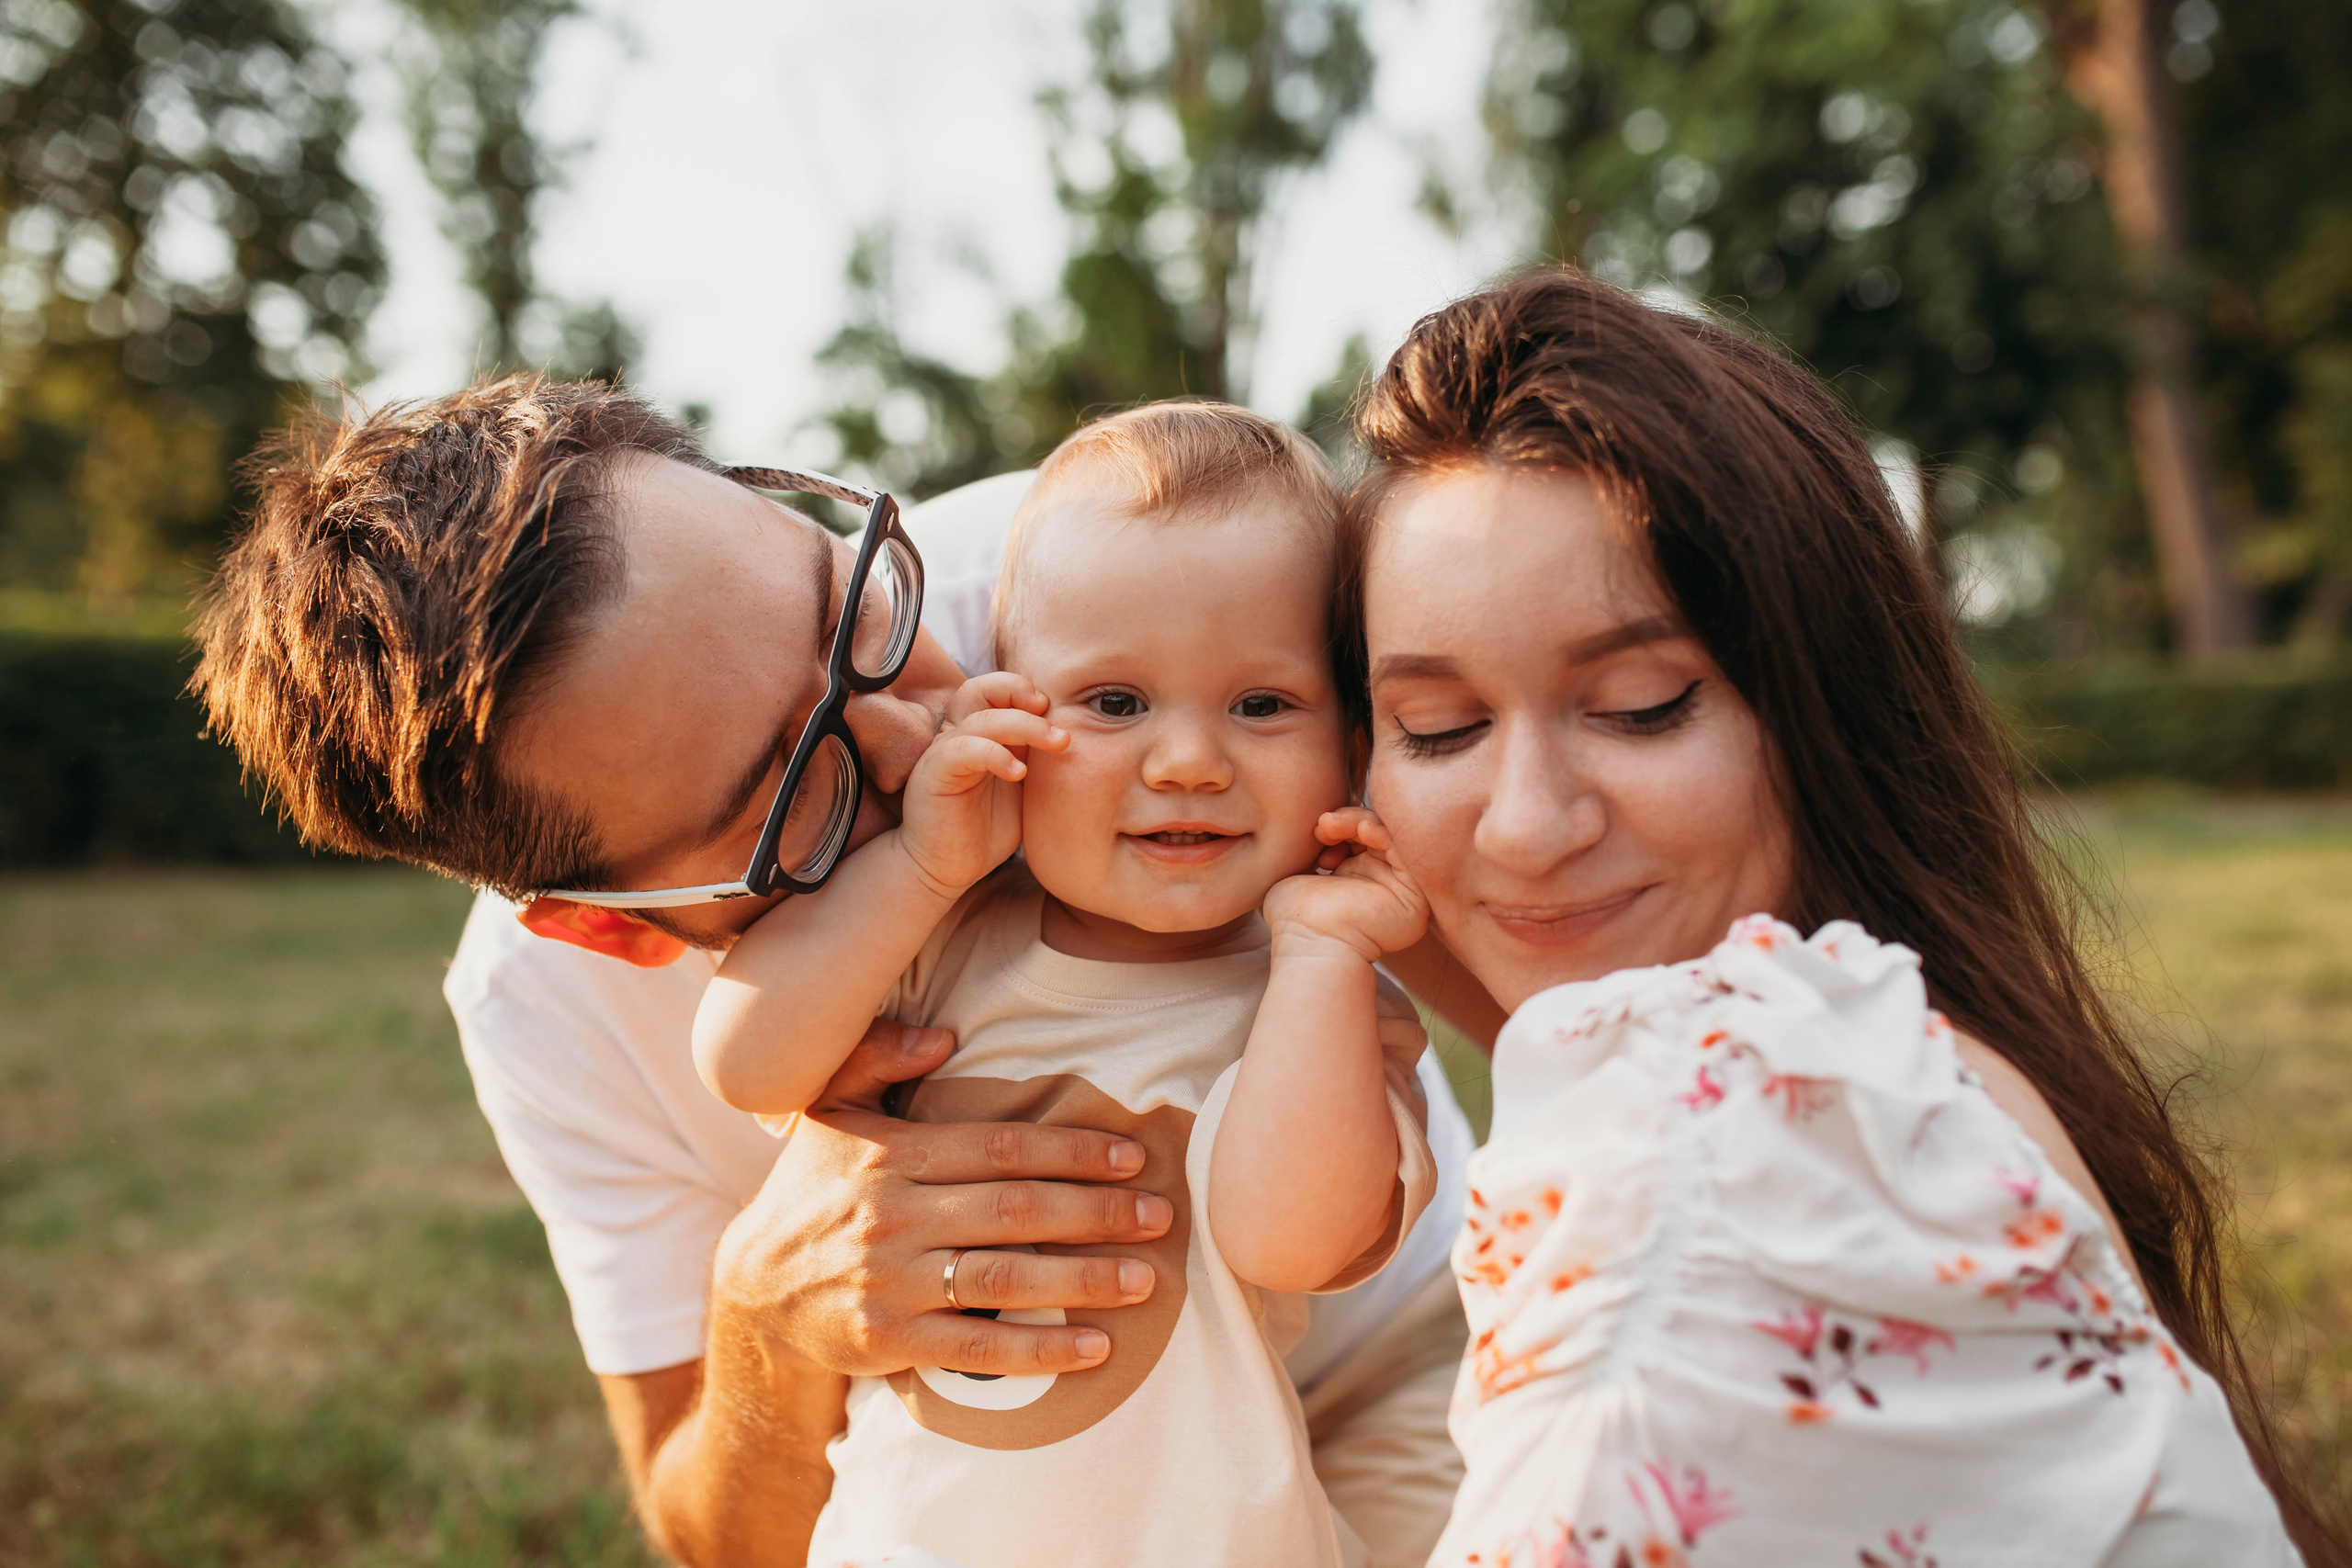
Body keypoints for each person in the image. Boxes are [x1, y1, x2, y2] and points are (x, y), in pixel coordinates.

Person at [191, 378, 1484, 1566]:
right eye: (798, 787)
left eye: (847, 611)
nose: (910, 718)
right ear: (618, 929)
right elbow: (711, 1533)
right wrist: (766, 1317)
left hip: (1391, 1361)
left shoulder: (1101, 573)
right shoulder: (553, 1020)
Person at [1330, 268, 2337, 1565]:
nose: (1526, 823)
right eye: (1439, 728)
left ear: (1824, 704)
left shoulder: (1728, 1157)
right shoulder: (1896, 1055)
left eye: (1643, 704)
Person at [693, 403, 1440, 1565]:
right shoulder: (945, 936)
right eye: (1113, 703)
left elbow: (1286, 1243)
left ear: (1351, 743)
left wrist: (1327, 956)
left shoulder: (1326, 1005)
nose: (1187, 761)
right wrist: (925, 863)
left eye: (1261, 705)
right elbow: (745, 1063)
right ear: (1011, 710)